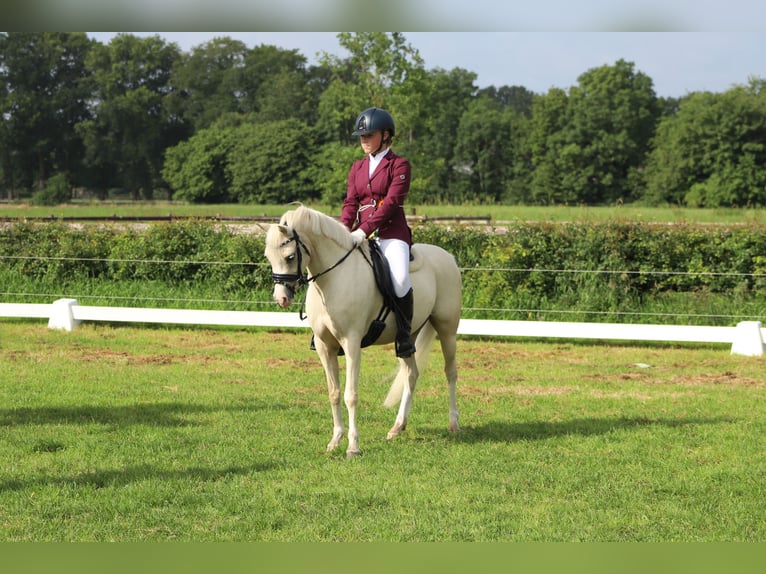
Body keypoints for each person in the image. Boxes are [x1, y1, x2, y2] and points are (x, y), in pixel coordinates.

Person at [340, 107, 416, 358]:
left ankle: (404, 335)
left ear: (385, 135)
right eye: (361, 136)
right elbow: (351, 203)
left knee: (401, 279)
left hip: (392, 235)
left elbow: (392, 203)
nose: (363, 140)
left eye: (369, 135)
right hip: (360, 234)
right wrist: (342, 231)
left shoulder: (399, 165)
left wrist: (364, 230)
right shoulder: (357, 168)